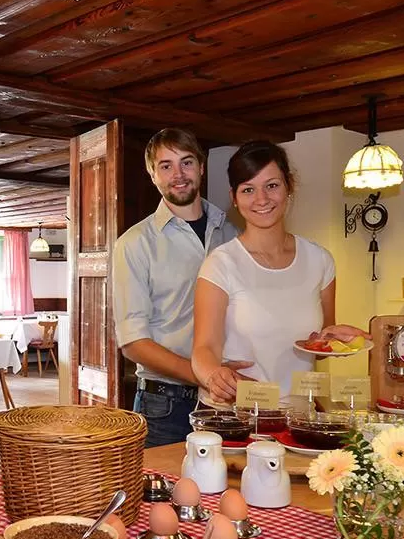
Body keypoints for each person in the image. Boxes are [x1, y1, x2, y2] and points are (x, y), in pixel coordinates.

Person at [191, 141, 365, 402]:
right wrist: (214, 376)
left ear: (289, 186)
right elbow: (204, 348)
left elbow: (318, 346)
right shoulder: (221, 263)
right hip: (237, 413)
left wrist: (336, 340)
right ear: (234, 198)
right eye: (248, 189)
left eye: (272, 185)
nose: (262, 199)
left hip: (299, 414)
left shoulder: (320, 260)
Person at [112, 128, 242, 446]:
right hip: (164, 407)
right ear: (152, 175)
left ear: (201, 166)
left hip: (230, 403)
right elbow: (133, 342)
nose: (178, 174)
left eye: (186, 162)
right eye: (166, 166)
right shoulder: (134, 243)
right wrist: (206, 374)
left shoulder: (233, 234)